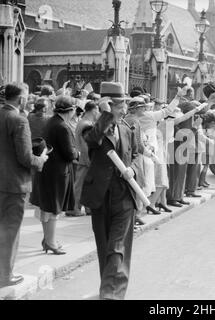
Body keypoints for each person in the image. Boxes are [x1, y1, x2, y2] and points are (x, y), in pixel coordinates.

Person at [80, 82, 139, 300]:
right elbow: (93, 141)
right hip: (100, 196)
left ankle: (111, 295)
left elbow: (137, 155)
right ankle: (109, 289)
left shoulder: (128, 128)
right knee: (105, 246)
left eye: (124, 105)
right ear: (107, 105)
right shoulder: (89, 126)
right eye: (119, 105)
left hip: (124, 195)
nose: (124, 110)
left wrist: (132, 169)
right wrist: (104, 116)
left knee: (117, 246)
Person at [0, 83, 48, 288]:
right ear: (20, 99)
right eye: (26, 97)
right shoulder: (19, 120)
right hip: (14, 184)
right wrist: (41, 159)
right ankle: (4, 275)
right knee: (10, 230)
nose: (28, 101)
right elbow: (26, 158)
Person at [30, 95, 80, 255]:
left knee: (48, 207)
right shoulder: (62, 126)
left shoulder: (52, 121)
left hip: (49, 170)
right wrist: (77, 153)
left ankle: (48, 240)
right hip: (57, 172)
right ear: (70, 110)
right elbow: (69, 153)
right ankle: (50, 242)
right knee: (53, 209)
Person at [71, 101, 101, 216]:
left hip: (84, 159)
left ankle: (86, 207)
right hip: (86, 159)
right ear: (93, 110)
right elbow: (85, 145)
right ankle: (74, 208)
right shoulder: (86, 124)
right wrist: (90, 160)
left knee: (86, 185)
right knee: (80, 185)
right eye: (97, 110)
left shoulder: (83, 122)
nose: (98, 112)